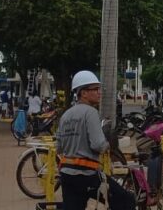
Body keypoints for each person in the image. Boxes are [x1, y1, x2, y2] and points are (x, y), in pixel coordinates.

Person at [56, 71, 135, 210]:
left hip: (67, 175)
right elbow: (98, 145)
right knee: (125, 200)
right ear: (83, 93)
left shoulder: (66, 115)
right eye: (95, 89)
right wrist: (110, 143)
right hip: (87, 175)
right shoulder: (90, 112)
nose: (99, 92)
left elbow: (59, 147)